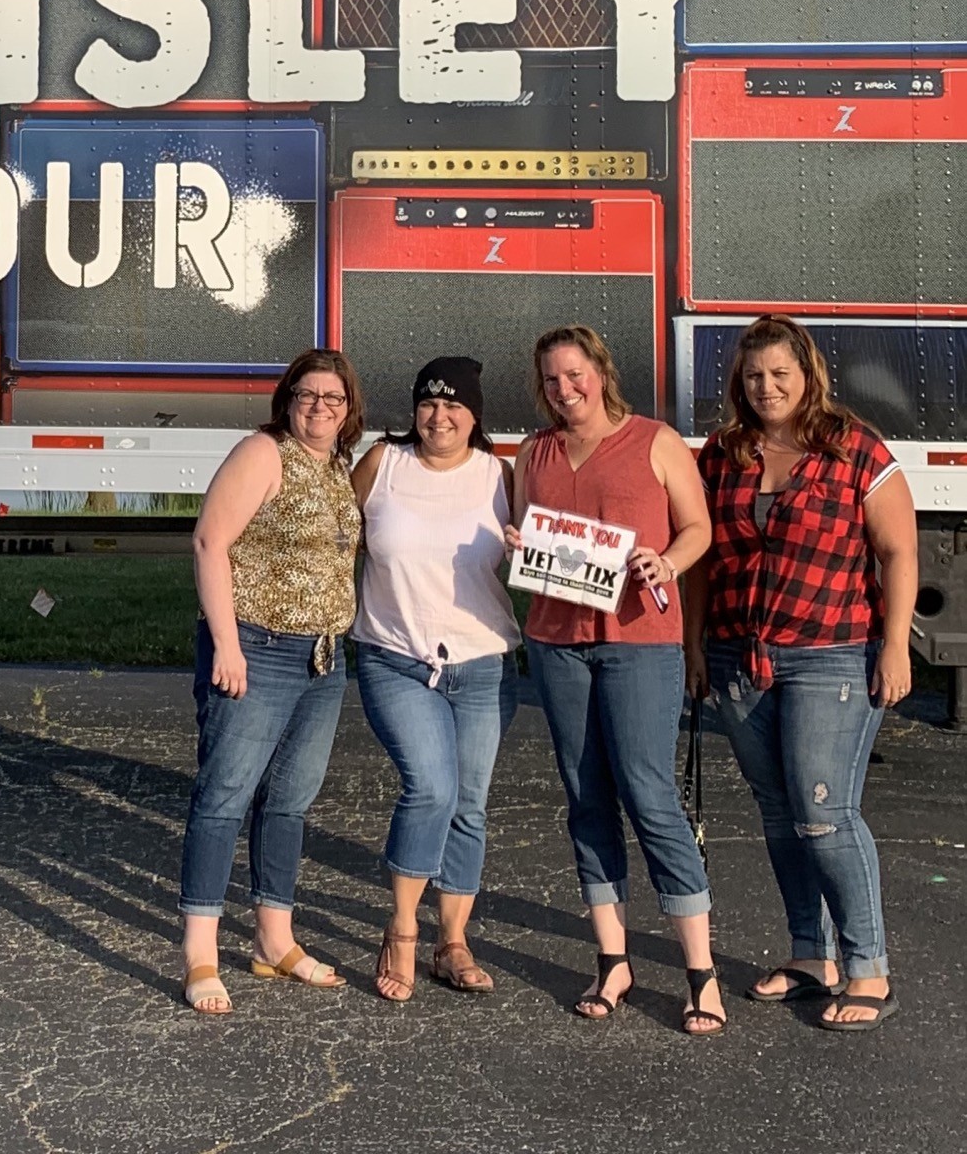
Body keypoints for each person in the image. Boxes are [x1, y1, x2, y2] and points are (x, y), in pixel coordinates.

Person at [685, 315, 917, 1032]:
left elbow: (898, 551)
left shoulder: (854, 447)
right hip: (739, 655)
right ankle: (810, 955)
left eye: (780, 373)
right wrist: (694, 646)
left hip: (833, 652)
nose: (767, 387)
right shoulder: (722, 455)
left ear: (807, 374)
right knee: (780, 812)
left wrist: (896, 646)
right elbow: (702, 556)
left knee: (824, 812)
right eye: (755, 376)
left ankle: (868, 966)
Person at [507, 325, 724, 1035]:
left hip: (640, 642)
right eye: (551, 379)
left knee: (649, 794)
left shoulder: (655, 441)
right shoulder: (533, 452)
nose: (564, 389)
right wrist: (517, 543)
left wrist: (667, 561)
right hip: (557, 643)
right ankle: (613, 960)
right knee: (586, 795)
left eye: (575, 374)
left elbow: (698, 529)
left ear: (601, 372)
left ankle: (701, 973)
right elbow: (525, 530)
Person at [179, 348, 364, 1014]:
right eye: (307, 394)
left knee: (289, 801)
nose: (319, 406)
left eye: (333, 397)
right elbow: (209, 542)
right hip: (256, 649)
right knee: (224, 797)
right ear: (287, 399)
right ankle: (200, 955)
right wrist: (227, 645)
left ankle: (273, 940)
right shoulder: (263, 454)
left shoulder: (338, 466)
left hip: (322, 659)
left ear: (349, 409)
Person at [350, 357, 520, 1002]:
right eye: (428, 403)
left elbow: (543, 554)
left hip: (482, 661)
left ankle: (453, 941)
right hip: (394, 657)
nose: (439, 416)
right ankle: (401, 929)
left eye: (453, 406)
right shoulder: (383, 464)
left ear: (475, 416)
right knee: (430, 788)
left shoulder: (499, 475)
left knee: (469, 803)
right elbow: (332, 539)